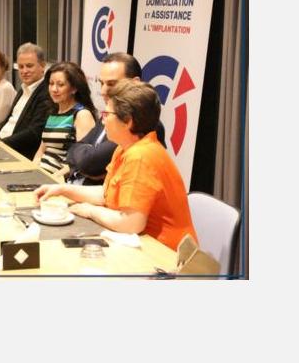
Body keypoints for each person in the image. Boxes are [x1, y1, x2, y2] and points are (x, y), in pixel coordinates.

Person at [34, 79, 197, 251]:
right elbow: (106, 194)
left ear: (127, 121)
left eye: (106, 114)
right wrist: (62, 189)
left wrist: (90, 211)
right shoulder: (125, 148)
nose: (103, 121)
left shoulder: (141, 156)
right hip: (142, 245)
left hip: (165, 253)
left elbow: (130, 223)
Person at [66, 52, 165, 184]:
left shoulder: (144, 125)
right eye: (101, 83)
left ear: (135, 83)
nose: (103, 91)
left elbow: (88, 162)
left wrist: (87, 162)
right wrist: (85, 164)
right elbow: (75, 151)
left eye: (112, 84)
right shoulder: (111, 112)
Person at [32, 62, 97, 178]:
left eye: (60, 85)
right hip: (42, 174)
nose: (54, 89)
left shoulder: (82, 115)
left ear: (74, 88)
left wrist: (53, 178)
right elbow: (41, 150)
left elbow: (81, 160)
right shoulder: (53, 113)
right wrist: (33, 170)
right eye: (51, 84)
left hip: (60, 180)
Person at [0, 43, 52, 160]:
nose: (24, 71)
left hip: (19, 153)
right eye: (21, 67)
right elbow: (10, 120)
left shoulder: (47, 93)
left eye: (29, 66)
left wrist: (1, 144)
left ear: (42, 66)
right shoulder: (22, 89)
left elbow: (35, 132)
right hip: (2, 144)